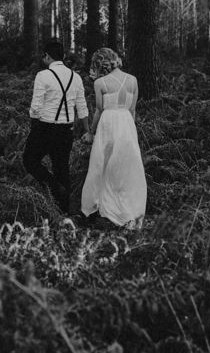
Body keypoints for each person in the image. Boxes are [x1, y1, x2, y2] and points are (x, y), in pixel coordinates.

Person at [81, 47, 147, 229]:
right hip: (126, 124)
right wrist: (130, 131)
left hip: (108, 125)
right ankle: (128, 208)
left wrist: (91, 132)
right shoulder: (133, 80)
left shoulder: (100, 83)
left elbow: (99, 110)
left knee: (102, 165)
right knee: (126, 166)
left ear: (99, 64)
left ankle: (104, 208)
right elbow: (132, 110)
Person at [23, 40, 92, 213]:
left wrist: (34, 124)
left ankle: (53, 186)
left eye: (43, 56)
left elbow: (36, 107)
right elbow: (82, 107)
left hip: (45, 127)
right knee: (62, 168)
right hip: (66, 130)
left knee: (29, 160)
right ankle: (65, 211)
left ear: (47, 56)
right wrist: (87, 130)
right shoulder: (75, 77)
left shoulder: (43, 76)